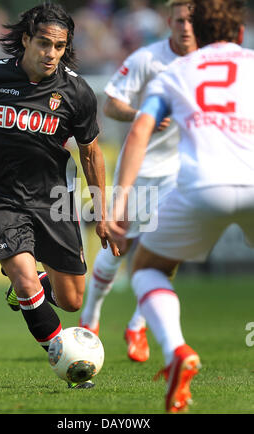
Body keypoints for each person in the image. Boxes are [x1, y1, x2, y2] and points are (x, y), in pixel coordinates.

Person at [0, 2, 118, 389]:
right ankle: (69, 361)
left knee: (72, 299)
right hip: (3, 197)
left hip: (54, 200)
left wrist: (101, 212)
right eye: (44, 44)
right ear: (27, 40)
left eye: (59, 47)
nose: (51, 53)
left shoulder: (76, 92)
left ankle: (27, 290)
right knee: (25, 279)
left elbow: (91, 151)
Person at [108, 0, 251, 413]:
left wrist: (119, 201)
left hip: (201, 187)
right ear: (239, 34)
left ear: (196, 35)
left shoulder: (176, 71)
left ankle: (175, 352)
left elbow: (139, 131)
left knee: (147, 268)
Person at [79, 0, 197, 363]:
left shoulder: (207, 62)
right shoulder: (148, 58)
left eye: (192, 21)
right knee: (119, 248)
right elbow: (112, 103)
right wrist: (141, 114)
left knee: (168, 251)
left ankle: (137, 324)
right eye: (179, 20)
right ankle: (91, 317)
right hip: (140, 169)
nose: (186, 28)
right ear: (169, 21)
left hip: (182, 172)